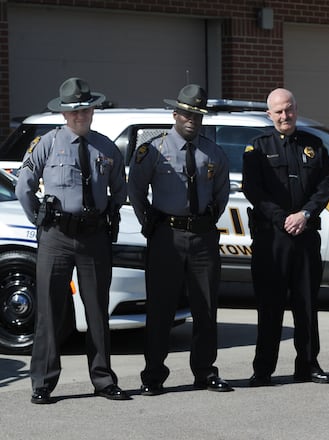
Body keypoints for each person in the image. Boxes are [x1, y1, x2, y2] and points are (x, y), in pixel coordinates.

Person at [16, 77, 130, 404]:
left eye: (85, 110)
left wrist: (107, 217)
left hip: (94, 237)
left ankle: (103, 379)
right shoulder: (47, 143)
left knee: (97, 309)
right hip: (57, 236)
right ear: (64, 114)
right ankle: (43, 382)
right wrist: (41, 220)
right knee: (50, 311)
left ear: (92, 111)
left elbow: (119, 190)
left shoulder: (106, 147)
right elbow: (24, 186)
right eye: (74, 111)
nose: (80, 115)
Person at [128, 84, 232, 395]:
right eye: (187, 113)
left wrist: (206, 220)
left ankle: (205, 372)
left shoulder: (213, 152)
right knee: (160, 309)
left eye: (197, 115)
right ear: (175, 114)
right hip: (166, 236)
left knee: (206, 308)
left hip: (202, 237)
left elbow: (221, 193)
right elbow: (135, 189)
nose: (192, 120)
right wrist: (149, 223)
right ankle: (153, 376)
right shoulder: (153, 149)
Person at [242, 88, 329, 386]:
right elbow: (253, 189)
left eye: (289, 109)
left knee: (306, 304)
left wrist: (305, 214)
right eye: (279, 111)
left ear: (296, 108)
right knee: (270, 305)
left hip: (305, 235)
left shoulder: (314, 145)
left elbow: (325, 185)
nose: (285, 116)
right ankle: (263, 369)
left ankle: (308, 364)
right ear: (269, 114)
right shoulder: (258, 147)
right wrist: (282, 218)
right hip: (272, 238)